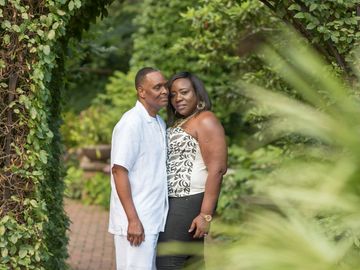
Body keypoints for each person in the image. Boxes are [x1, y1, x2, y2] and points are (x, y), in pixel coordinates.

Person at [156, 71, 227, 269]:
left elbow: (218, 169)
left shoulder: (205, 119)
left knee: (167, 261)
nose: (178, 98)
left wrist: (205, 214)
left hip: (189, 199)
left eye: (184, 92)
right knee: (192, 264)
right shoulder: (180, 122)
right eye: (173, 94)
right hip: (174, 201)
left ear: (198, 93)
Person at [109, 67, 169, 270]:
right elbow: (119, 170)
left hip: (153, 219)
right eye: (157, 87)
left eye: (165, 85)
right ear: (141, 91)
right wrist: (133, 220)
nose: (165, 91)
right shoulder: (131, 123)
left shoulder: (159, 122)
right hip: (136, 221)